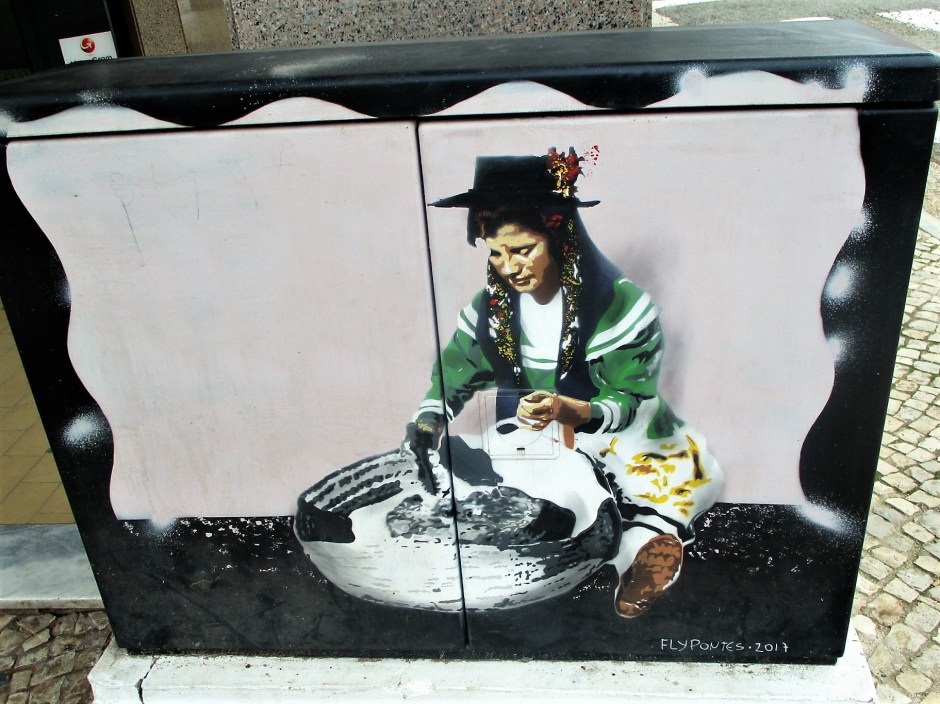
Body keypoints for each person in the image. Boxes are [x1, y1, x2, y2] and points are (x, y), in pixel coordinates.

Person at [406, 148, 722, 618]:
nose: (509, 267)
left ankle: (645, 551)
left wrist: (570, 409)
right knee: (512, 495)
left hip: (612, 433)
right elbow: (457, 369)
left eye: (522, 250)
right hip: (533, 438)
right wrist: (429, 419)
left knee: (642, 488)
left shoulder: (618, 305)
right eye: (496, 253)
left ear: (559, 238)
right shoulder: (491, 309)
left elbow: (630, 398)